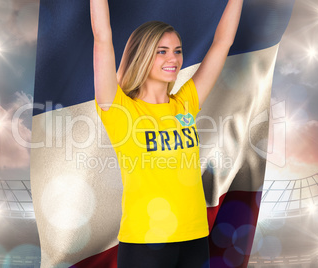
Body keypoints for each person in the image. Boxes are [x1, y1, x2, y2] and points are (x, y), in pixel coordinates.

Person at [90, 0, 243, 267]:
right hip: (144, 242)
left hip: (195, 236)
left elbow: (223, 42)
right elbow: (102, 37)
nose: (173, 58)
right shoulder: (119, 109)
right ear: (142, 55)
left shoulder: (185, 104)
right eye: (161, 51)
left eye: (177, 50)